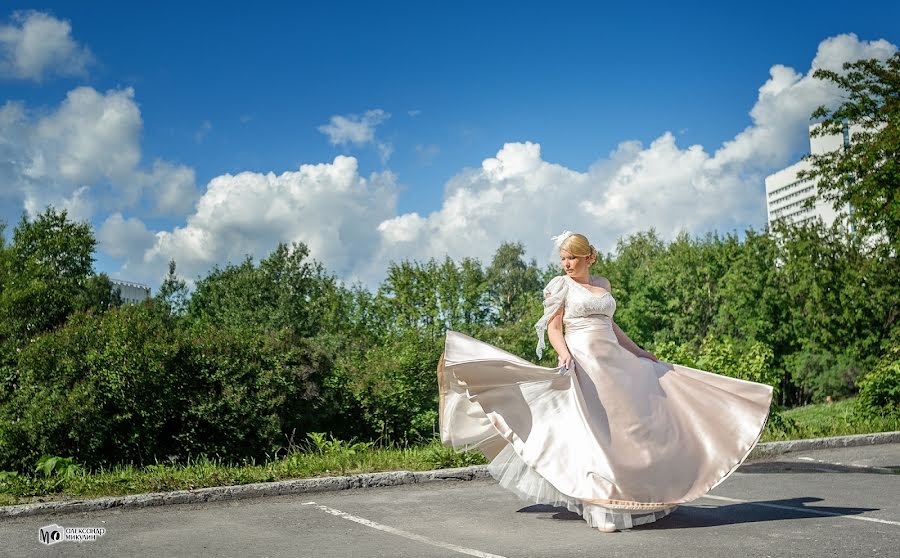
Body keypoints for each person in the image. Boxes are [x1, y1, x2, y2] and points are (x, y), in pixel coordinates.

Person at [437, 231, 774, 532]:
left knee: (634, 424)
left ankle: (641, 494)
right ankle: (602, 508)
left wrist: (639, 352)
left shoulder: (603, 285)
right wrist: (563, 353)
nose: (567, 264)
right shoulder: (559, 286)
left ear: (589, 257)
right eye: (563, 258)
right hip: (584, 361)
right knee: (596, 432)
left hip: (615, 362)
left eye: (572, 258)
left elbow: (612, 326)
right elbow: (555, 327)